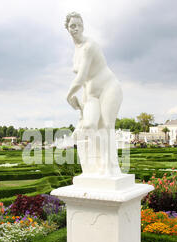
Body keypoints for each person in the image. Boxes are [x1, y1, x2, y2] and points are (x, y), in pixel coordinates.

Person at [65, 12, 122, 176]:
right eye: (72, 26)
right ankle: (98, 164)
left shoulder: (89, 46)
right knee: (89, 125)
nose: (75, 28)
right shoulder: (76, 50)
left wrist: (68, 96)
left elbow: (81, 76)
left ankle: (110, 167)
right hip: (91, 94)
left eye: (78, 25)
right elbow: (83, 82)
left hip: (109, 88)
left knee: (106, 126)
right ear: (67, 29)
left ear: (83, 26)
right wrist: (82, 108)